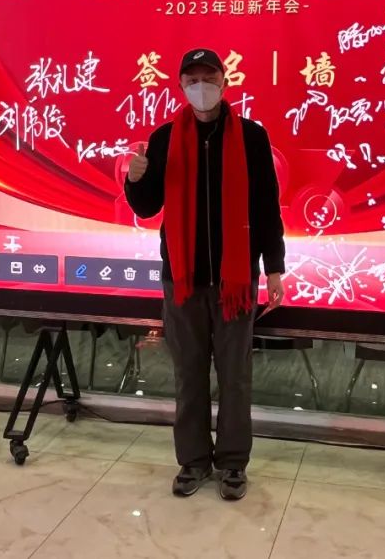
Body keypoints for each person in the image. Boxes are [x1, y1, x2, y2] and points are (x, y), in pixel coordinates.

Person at [124, 48, 286, 501]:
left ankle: (232, 463)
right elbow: (147, 207)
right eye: (192, 79)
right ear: (180, 86)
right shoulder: (163, 139)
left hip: (236, 282)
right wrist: (135, 179)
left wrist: (274, 268)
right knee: (189, 375)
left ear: (224, 81)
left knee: (235, 376)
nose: (201, 87)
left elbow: (266, 207)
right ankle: (193, 461)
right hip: (183, 280)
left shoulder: (251, 137)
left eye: (208, 78)